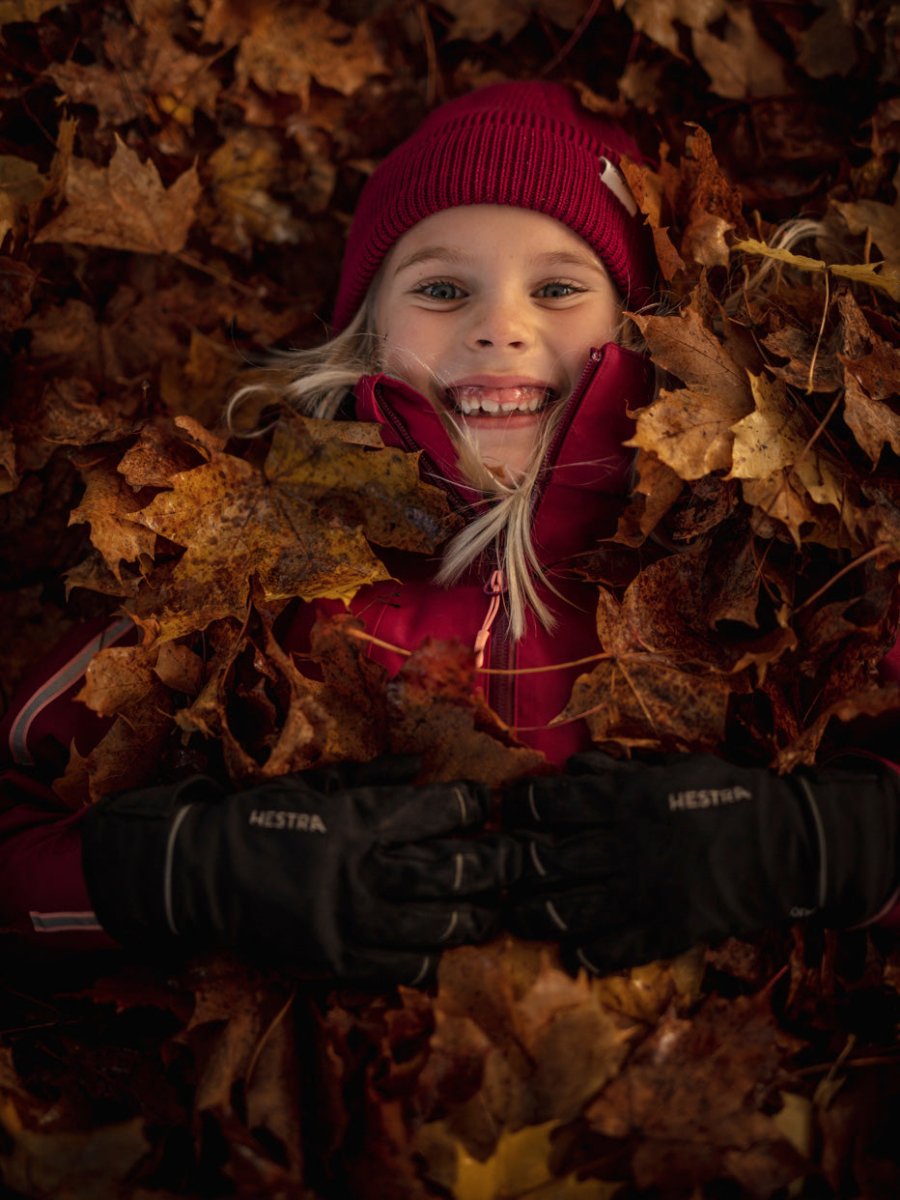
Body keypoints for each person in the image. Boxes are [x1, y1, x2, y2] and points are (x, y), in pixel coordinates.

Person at [1, 83, 898, 987]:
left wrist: (810, 843)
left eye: (556, 287)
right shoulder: (260, 568)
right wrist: (199, 868)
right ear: (367, 336)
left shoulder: (775, 560)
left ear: (649, 329)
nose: (500, 327)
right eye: (440, 288)